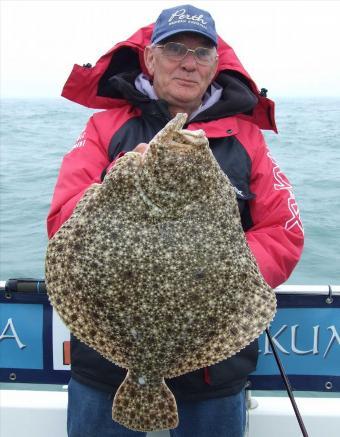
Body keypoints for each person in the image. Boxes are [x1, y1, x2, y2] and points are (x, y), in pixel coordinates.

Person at [47, 4, 304, 437]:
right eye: (175, 49)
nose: (188, 62)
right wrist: (118, 180)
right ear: (149, 57)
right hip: (106, 369)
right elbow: (62, 223)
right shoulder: (104, 130)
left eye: (203, 53)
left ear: (216, 64)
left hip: (214, 375)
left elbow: (284, 232)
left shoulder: (246, 140)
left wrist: (218, 273)